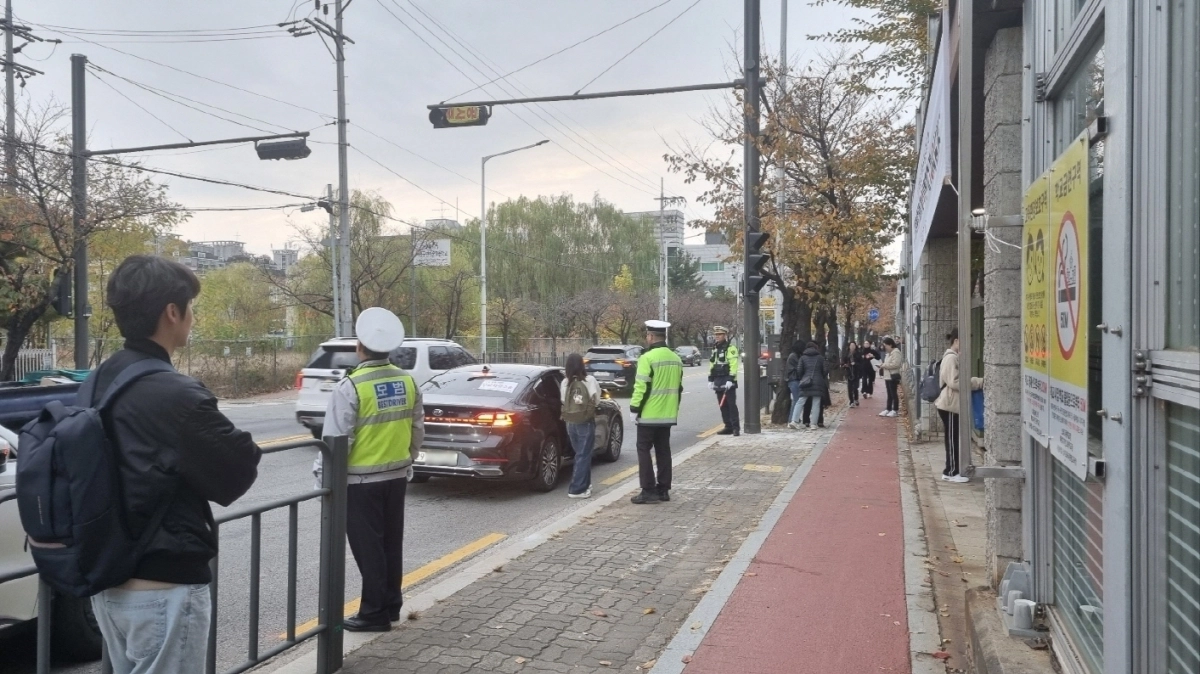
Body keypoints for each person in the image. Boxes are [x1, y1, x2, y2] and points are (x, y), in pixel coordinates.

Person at [89, 255, 261, 674]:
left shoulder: (100, 380)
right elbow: (235, 473)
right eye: (191, 307)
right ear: (172, 312)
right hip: (162, 586)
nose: (193, 317)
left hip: (108, 581)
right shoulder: (175, 394)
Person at [323, 307, 424, 632]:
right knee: (391, 545)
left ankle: (373, 614)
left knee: (369, 551)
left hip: (360, 482)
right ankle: (391, 606)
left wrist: (325, 481)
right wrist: (408, 459)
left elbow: (337, 441)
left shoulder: (351, 386)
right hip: (396, 477)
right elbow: (417, 429)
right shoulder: (407, 381)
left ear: (359, 346)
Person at [629, 320, 684, 504]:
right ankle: (663, 490)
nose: (647, 338)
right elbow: (679, 388)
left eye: (647, 335)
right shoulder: (676, 359)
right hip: (667, 415)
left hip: (648, 414)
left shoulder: (647, 358)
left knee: (643, 450)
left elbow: (641, 387)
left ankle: (648, 490)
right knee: (663, 451)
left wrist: (634, 409)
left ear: (651, 337)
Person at [934, 328, 983, 483]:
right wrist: (977, 382)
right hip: (949, 405)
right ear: (956, 340)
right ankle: (951, 471)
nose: (967, 345)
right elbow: (955, 382)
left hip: (951, 404)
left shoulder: (953, 357)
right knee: (952, 439)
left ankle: (952, 470)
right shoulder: (951, 358)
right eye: (965, 341)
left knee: (953, 438)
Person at [560, 353, 601, 499]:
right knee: (584, 455)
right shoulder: (589, 380)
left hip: (570, 422)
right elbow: (597, 400)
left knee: (580, 455)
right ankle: (577, 489)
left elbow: (563, 401)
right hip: (585, 421)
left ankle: (586, 484)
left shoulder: (565, 382)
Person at [708, 326, 740, 436]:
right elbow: (712, 364)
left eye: (720, 334)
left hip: (728, 379)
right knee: (722, 405)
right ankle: (728, 426)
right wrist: (710, 379)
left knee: (731, 405)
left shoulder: (730, 348)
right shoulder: (715, 348)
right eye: (716, 335)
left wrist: (731, 379)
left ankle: (736, 428)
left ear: (725, 335)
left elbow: (733, 365)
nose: (717, 336)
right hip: (718, 379)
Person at [792, 341, 828, 430]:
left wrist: (804, 377)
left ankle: (794, 420)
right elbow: (825, 370)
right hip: (818, 382)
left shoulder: (803, 358)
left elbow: (799, 371)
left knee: (801, 401)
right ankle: (813, 424)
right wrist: (820, 376)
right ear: (816, 348)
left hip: (806, 382)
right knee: (816, 403)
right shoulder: (820, 358)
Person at [879, 337, 903, 417]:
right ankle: (888, 408)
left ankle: (895, 409)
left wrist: (884, 365)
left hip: (893, 375)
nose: (885, 347)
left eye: (886, 345)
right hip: (887, 376)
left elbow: (896, 364)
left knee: (893, 393)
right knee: (889, 393)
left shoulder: (896, 352)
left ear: (890, 345)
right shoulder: (888, 353)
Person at [785, 341, 806, 428]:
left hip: (794, 380)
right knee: (797, 400)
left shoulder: (795, 355)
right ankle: (792, 420)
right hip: (794, 380)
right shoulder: (794, 356)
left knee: (796, 400)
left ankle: (793, 419)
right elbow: (799, 367)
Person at [842, 341, 860, 408]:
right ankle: (851, 401)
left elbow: (861, 363)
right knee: (849, 388)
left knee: (855, 387)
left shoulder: (858, 354)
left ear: (855, 346)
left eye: (853, 345)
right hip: (849, 372)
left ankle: (856, 398)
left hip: (856, 373)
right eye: (851, 345)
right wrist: (845, 365)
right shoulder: (846, 354)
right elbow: (843, 362)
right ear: (849, 346)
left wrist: (855, 364)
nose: (852, 347)